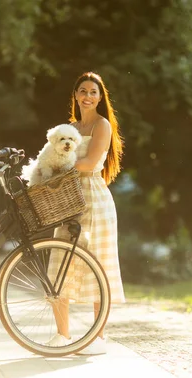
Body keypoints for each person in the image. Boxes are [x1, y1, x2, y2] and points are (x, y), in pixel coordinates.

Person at [48, 72, 125, 354]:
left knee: (98, 265)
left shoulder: (102, 126)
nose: (88, 96)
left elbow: (91, 162)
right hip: (69, 197)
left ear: (100, 97)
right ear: (76, 95)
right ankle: (62, 335)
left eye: (94, 92)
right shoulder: (70, 127)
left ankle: (98, 338)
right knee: (59, 263)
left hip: (94, 195)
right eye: (83, 91)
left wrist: (59, 162)